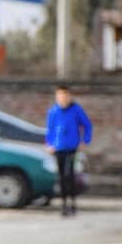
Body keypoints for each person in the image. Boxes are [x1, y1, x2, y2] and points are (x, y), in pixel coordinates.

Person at [45, 83, 92, 215]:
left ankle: (73, 203)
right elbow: (50, 130)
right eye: (60, 96)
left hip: (71, 147)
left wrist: (85, 141)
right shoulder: (53, 112)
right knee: (61, 177)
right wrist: (49, 144)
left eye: (65, 96)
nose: (63, 99)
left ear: (69, 96)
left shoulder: (76, 110)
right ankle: (64, 204)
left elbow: (87, 125)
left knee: (69, 175)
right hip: (58, 148)